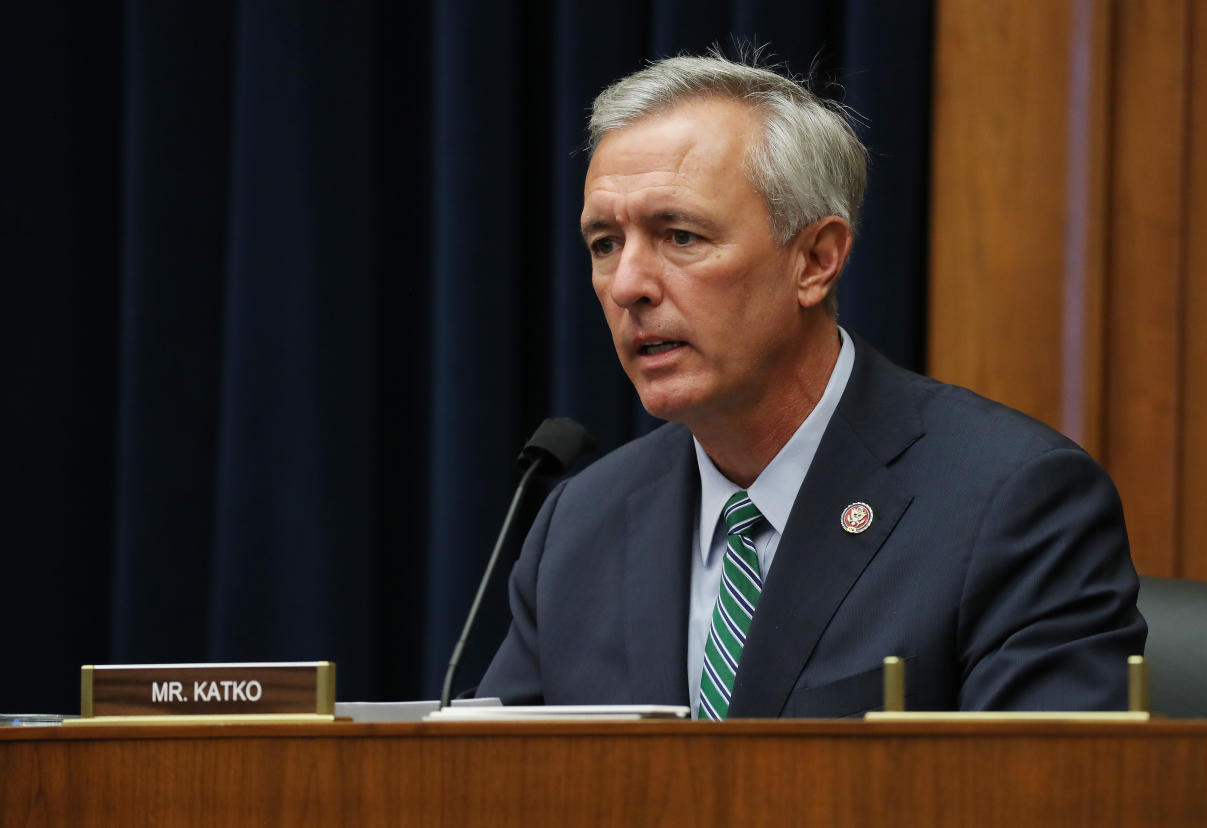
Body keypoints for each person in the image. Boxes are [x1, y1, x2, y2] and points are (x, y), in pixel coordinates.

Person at [477, 54, 1146, 718]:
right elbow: (489, 790)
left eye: (679, 235)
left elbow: (1046, 798)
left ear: (816, 261)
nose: (628, 285)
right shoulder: (579, 525)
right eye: (604, 244)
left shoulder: (1012, 503)